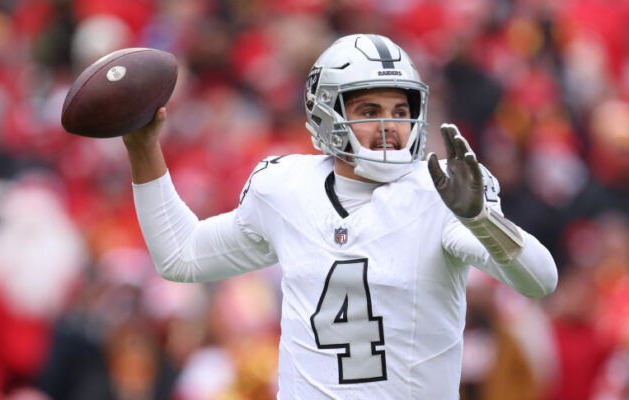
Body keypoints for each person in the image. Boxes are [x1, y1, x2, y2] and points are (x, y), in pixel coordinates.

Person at [122, 34, 558, 399]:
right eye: (370, 111)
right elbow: (181, 256)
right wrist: (143, 147)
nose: (390, 126)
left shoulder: (440, 192)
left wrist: (480, 218)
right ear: (327, 113)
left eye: (401, 111)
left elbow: (539, 280)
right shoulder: (286, 188)